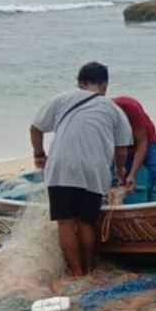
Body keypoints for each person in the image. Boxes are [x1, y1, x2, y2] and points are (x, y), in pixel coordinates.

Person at [30, 62, 132, 277]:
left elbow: (36, 128)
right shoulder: (114, 109)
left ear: (79, 82)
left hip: (61, 168)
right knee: (87, 221)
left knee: (65, 222)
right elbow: (121, 151)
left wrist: (39, 155)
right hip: (94, 171)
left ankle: (76, 272)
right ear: (104, 85)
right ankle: (89, 268)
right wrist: (121, 172)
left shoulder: (61, 99)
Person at [111, 95, 156, 200]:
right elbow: (114, 147)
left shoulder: (129, 107)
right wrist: (119, 170)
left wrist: (132, 174)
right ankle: (116, 209)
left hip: (147, 142)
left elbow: (142, 143)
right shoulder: (100, 117)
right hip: (122, 147)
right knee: (113, 181)